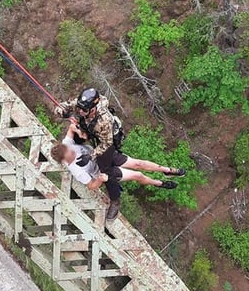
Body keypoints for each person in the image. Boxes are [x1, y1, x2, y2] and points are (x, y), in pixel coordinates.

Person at [54, 88, 184, 218]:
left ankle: (167, 170)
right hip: (99, 162)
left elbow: (106, 143)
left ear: (93, 109)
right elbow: (61, 108)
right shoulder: (82, 106)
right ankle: (156, 185)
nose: (81, 112)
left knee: (137, 163)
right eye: (80, 109)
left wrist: (90, 156)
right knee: (134, 175)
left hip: (104, 143)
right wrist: (64, 113)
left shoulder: (104, 120)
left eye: (84, 111)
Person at [50, 122, 180, 220]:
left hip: (104, 155)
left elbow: (72, 127)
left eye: (68, 149)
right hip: (105, 170)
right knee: (137, 175)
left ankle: (166, 170)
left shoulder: (67, 144)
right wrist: (100, 179)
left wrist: (79, 133)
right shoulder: (76, 170)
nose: (71, 150)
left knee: (137, 163)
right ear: (64, 159)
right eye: (68, 153)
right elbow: (91, 186)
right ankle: (159, 183)